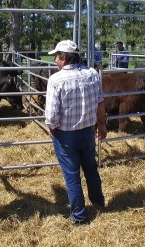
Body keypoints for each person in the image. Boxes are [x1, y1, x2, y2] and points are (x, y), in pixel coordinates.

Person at [45, 40, 107, 225]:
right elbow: (100, 103)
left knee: (71, 175)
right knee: (90, 168)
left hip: (66, 135)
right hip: (88, 131)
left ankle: (79, 216)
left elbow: (52, 115)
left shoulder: (56, 79)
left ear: (63, 57)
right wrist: (102, 126)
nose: (55, 59)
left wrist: (52, 128)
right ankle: (98, 202)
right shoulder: (92, 73)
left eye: (56, 56)